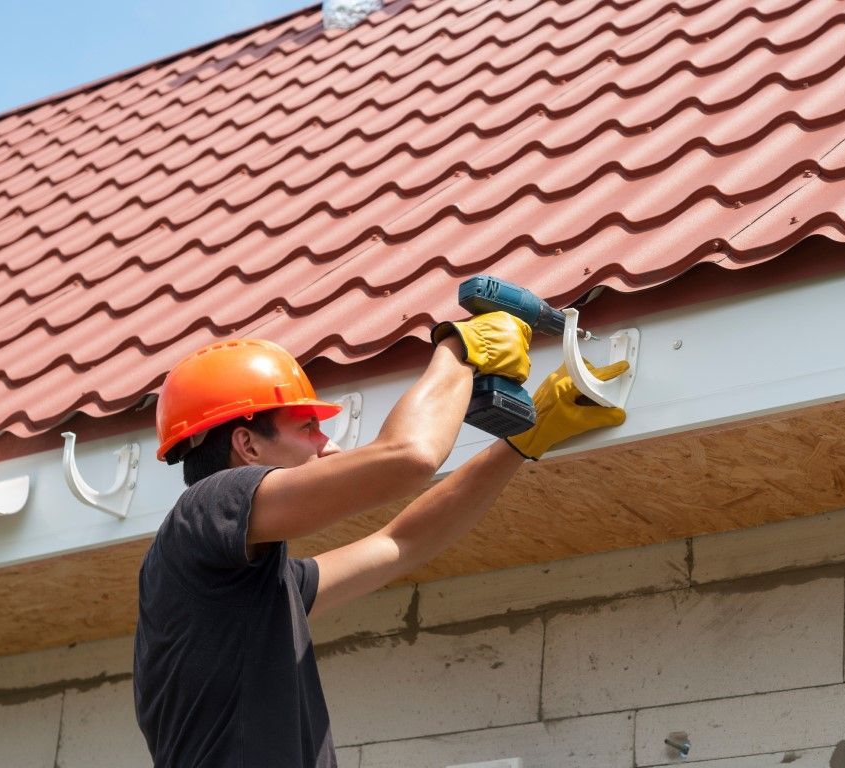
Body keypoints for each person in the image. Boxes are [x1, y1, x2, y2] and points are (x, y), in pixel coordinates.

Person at [133, 311, 628, 767]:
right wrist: (458, 352)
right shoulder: (207, 507)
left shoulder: (250, 587)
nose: (329, 446)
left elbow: (403, 543)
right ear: (247, 443)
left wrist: (522, 441)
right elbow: (408, 456)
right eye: (308, 428)